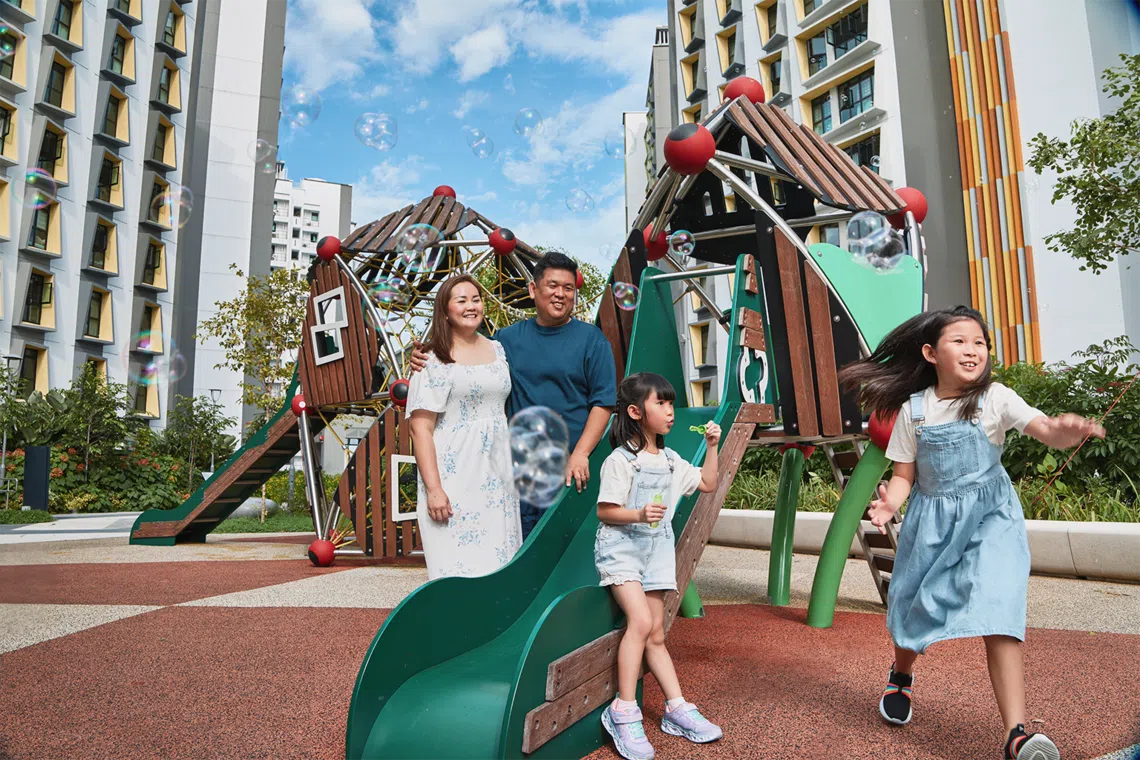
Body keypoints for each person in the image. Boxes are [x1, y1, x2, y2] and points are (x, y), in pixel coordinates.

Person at [838, 305, 1105, 760]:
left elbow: (1041, 428)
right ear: (930, 352)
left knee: (1000, 608)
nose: (972, 350)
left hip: (990, 516)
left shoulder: (996, 398)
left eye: (979, 342)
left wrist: (1063, 432)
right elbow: (904, 473)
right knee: (911, 607)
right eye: (960, 340)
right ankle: (901, 674)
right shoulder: (913, 411)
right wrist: (891, 502)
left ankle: (1016, 734)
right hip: (933, 523)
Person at [411, 251, 616, 538]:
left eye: (568, 288)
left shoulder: (592, 340)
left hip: (572, 472)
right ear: (533, 290)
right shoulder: (504, 341)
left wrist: (581, 454)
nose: (561, 294)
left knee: (566, 555)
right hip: (517, 473)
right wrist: (426, 355)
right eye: (552, 286)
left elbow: (603, 402)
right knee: (520, 556)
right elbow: (466, 360)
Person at [594, 372, 724, 760]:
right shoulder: (620, 461)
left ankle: (676, 707)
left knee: (656, 635)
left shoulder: (670, 460)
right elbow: (605, 511)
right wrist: (637, 513)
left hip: (656, 550)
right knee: (640, 622)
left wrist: (712, 445)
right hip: (622, 549)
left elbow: (707, 483)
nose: (670, 411)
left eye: (670, 403)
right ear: (635, 412)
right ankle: (624, 710)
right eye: (661, 403)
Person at [406, 275, 522, 580]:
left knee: (500, 565)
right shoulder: (431, 359)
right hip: (453, 477)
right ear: (445, 311)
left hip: (498, 478)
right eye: (461, 300)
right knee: (456, 568)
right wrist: (434, 489)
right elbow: (420, 430)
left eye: (476, 299)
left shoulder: (499, 350)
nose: (471, 306)